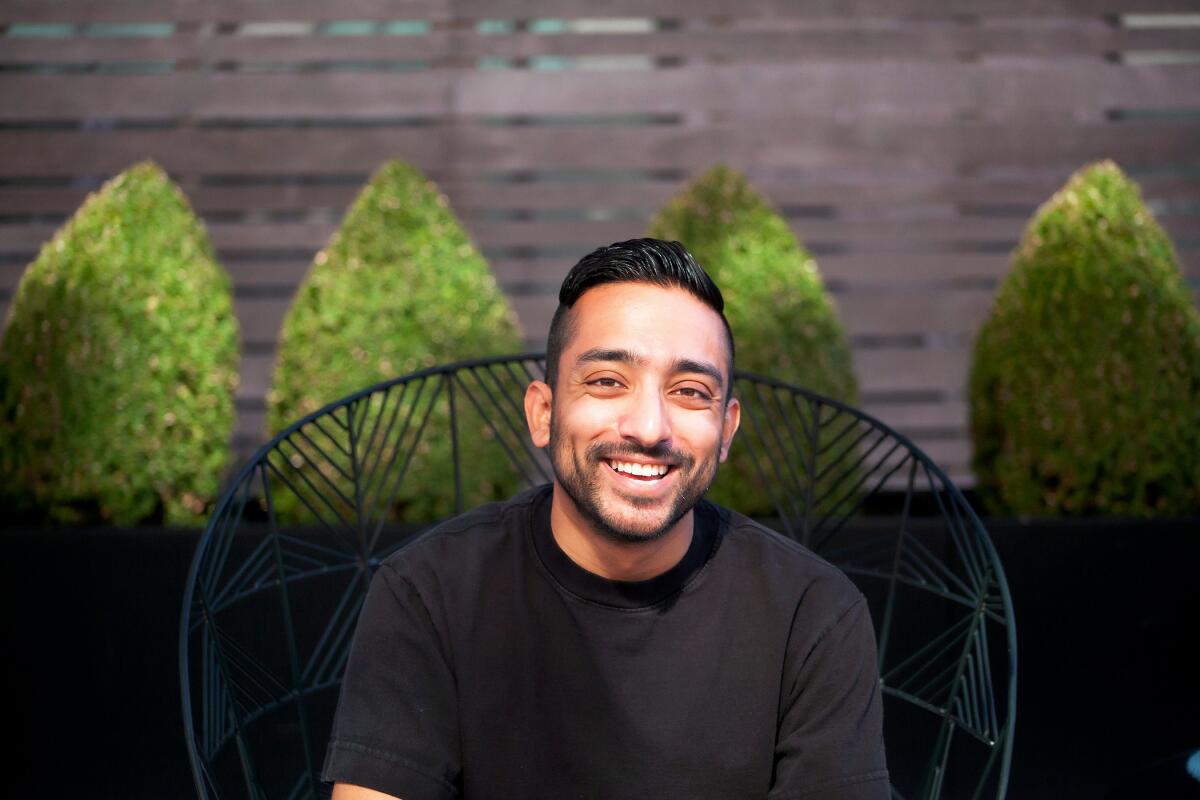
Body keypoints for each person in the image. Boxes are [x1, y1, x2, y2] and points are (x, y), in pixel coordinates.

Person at [323, 238, 889, 799]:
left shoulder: (812, 614)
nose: (648, 427)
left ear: (726, 432)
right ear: (543, 413)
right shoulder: (430, 594)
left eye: (690, 391)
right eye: (606, 381)